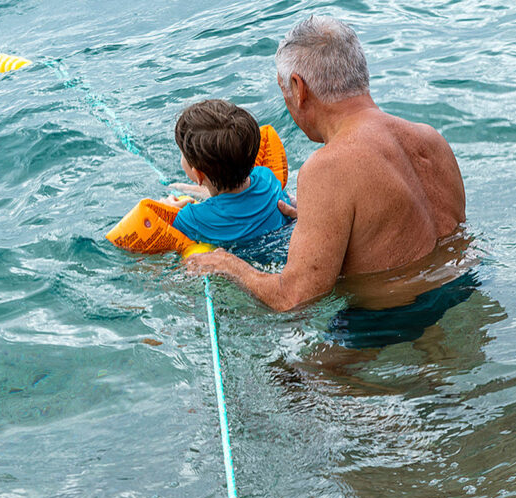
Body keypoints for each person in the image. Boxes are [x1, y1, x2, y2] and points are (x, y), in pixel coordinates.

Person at [186, 16, 466, 311]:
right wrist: (320, 223)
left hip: (392, 324)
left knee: (283, 360)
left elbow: (293, 299)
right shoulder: (430, 138)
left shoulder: (327, 168)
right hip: (463, 290)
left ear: (298, 88)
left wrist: (230, 264)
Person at [161, 99, 292, 246]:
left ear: (198, 174)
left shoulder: (191, 218)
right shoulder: (267, 178)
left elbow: (157, 231)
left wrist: (166, 209)